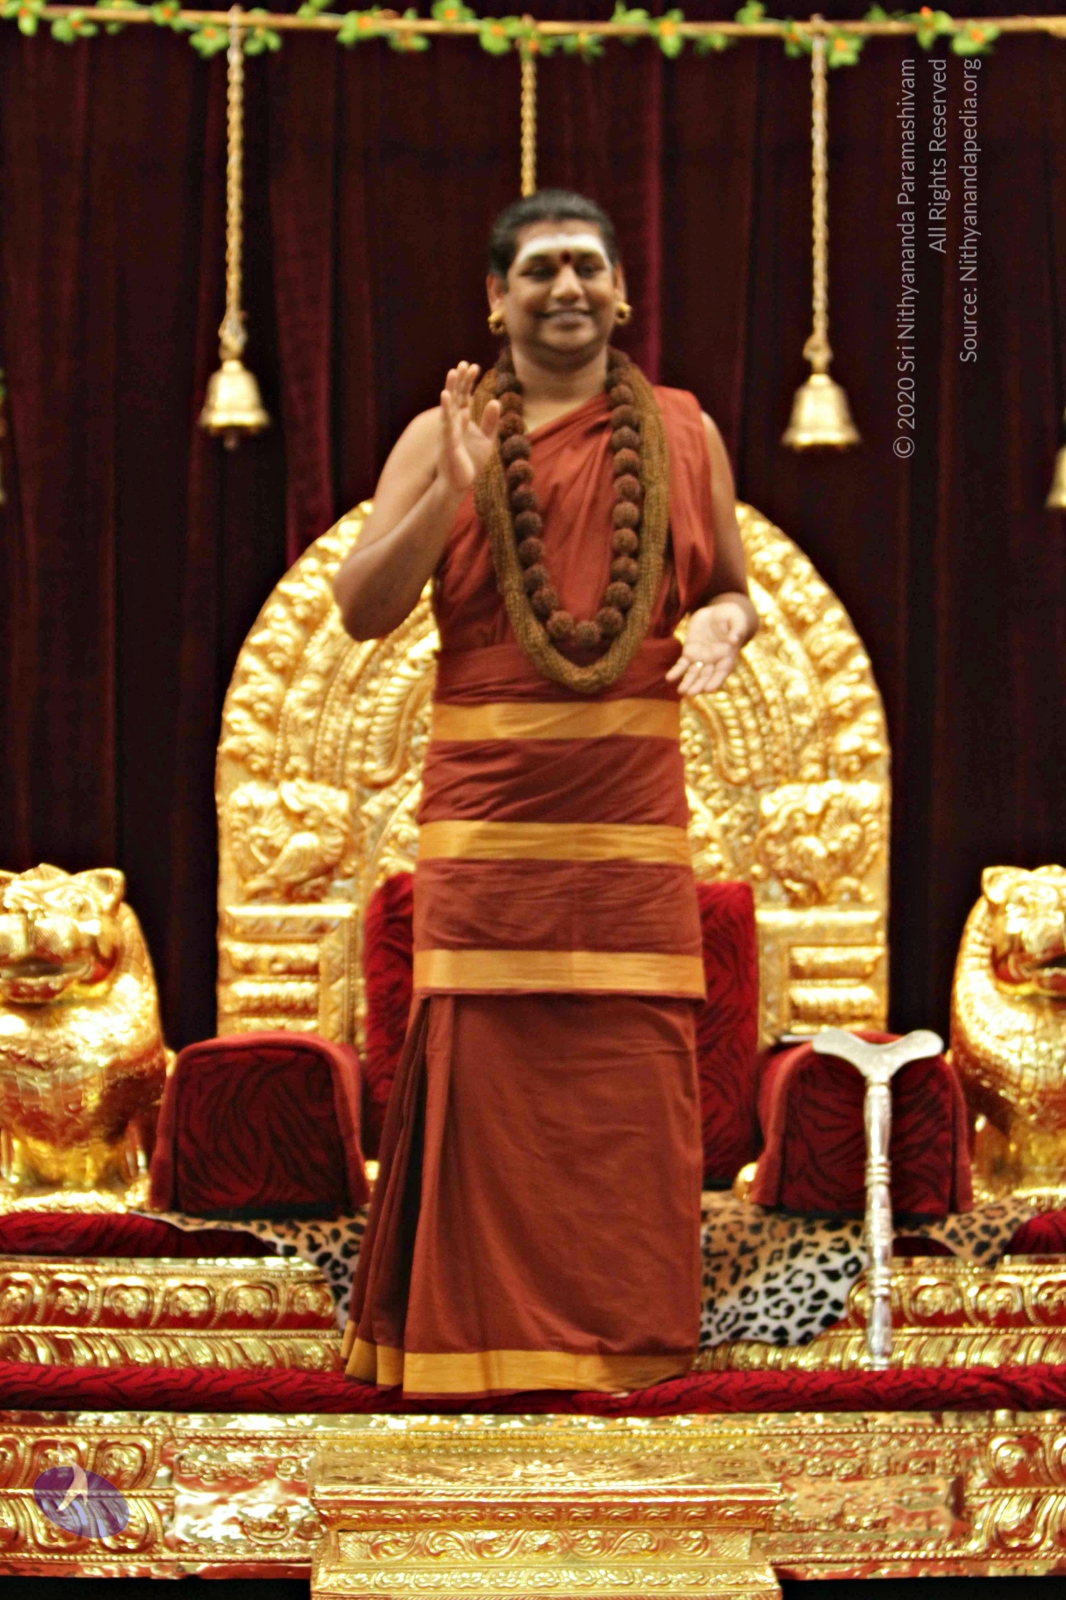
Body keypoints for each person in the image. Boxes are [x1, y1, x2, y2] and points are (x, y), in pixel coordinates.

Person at [332, 189, 758, 1398]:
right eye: (537, 270)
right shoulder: (444, 432)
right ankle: (476, 1359)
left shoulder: (684, 433)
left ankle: (628, 1354)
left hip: (632, 829)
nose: (565, 288)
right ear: (495, 298)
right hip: (491, 824)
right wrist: (451, 488)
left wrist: (725, 624)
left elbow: (729, 588)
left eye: (585, 267)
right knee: (493, 1086)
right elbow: (362, 609)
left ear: (620, 291)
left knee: (626, 1085)